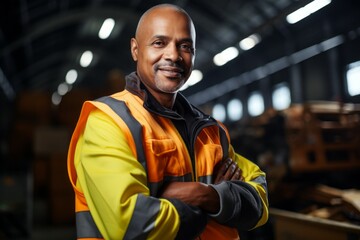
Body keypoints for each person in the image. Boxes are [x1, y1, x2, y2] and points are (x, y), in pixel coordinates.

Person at [67, 3, 268, 240]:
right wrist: (216, 204)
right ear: (135, 49)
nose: (174, 56)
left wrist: (204, 195)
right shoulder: (108, 122)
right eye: (159, 43)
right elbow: (133, 225)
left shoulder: (210, 131)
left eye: (185, 46)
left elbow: (260, 199)